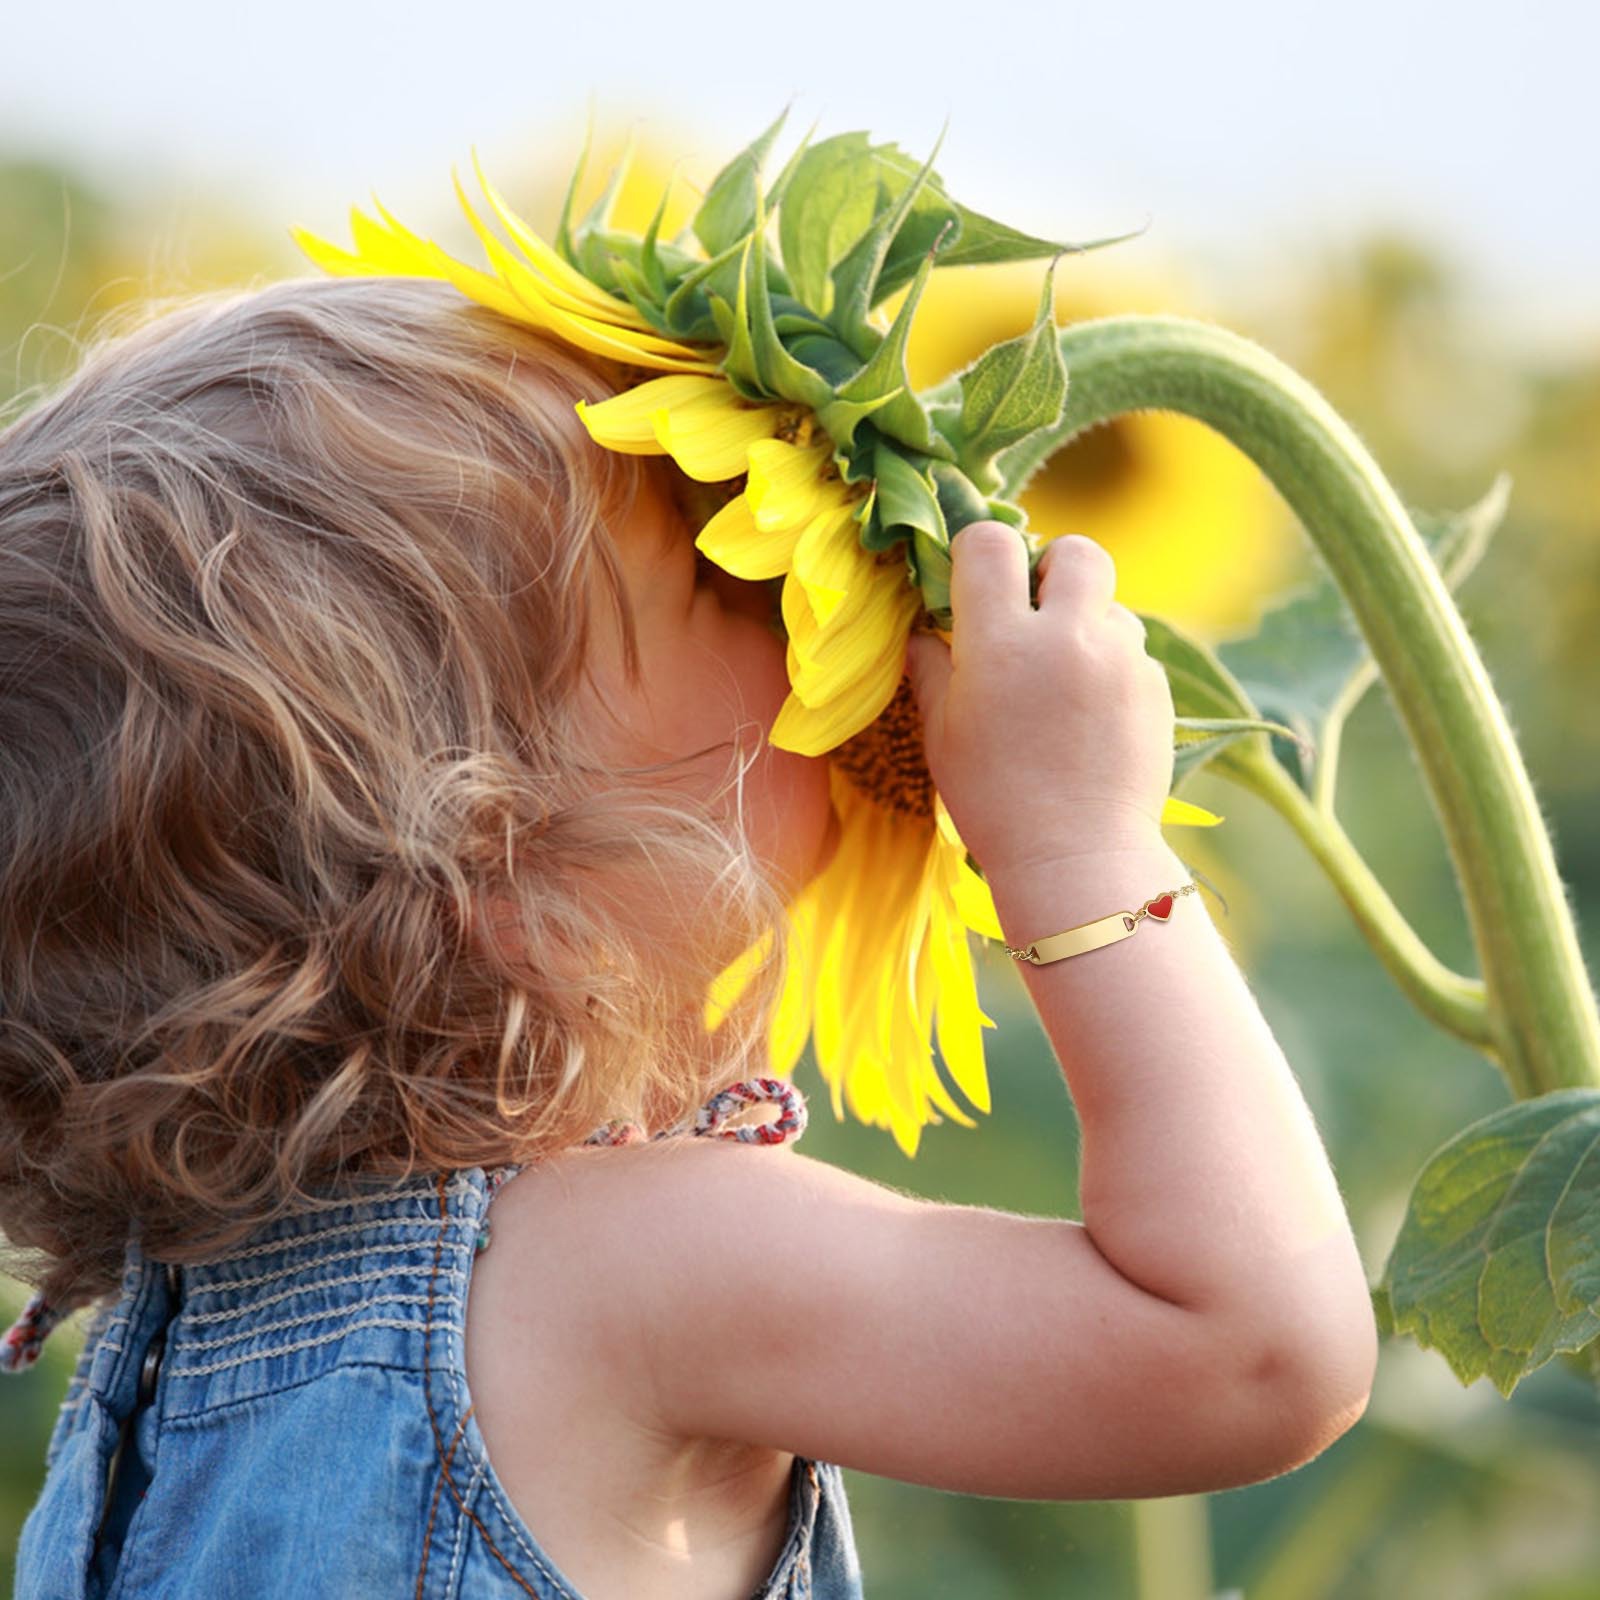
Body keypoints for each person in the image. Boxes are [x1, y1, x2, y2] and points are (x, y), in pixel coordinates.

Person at [0, 271, 1376, 1600]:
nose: (800, 611)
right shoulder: (626, 1267)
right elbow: (1252, 1354)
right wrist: (1082, 846)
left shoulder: (167, 1346)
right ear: (522, 882)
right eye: (723, 575)